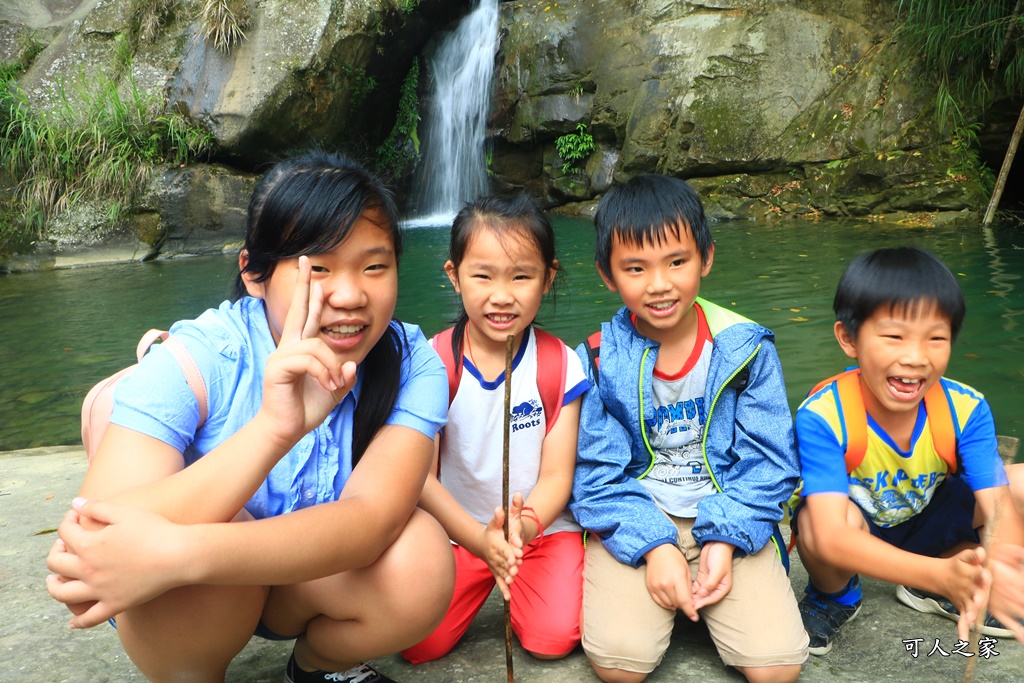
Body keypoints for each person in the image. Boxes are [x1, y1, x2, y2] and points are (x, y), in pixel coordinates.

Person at [44, 151, 455, 683]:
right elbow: (92, 535)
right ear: (254, 273)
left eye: (374, 266)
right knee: (212, 528)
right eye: (319, 268)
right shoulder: (199, 359)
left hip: (295, 580)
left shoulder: (411, 360)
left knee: (420, 560)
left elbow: (373, 520)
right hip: (201, 599)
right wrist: (272, 429)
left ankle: (316, 667)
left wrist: (182, 550)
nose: (351, 295)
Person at [571, 174, 807, 683]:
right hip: (637, 516)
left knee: (778, 667)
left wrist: (723, 539)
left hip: (726, 510)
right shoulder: (596, 357)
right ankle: (668, 584)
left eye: (677, 261)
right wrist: (656, 547)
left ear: (706, 258)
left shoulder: (746, 349)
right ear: (607, 275)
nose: (659, 283)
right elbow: (596, 477)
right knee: (620, 665)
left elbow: (769, 464)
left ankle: (704, 585)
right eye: (635, 268)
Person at [793, 246, 1024, 655]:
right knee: (817, 521)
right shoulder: (824, 415)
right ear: (849, 338)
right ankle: (836, 597)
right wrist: (941, 574)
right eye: (894, 336)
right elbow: (830, 536)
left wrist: (1003, 568)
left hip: (929, 517)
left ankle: (934, 583)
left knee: (1018, 483)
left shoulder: (966, 408)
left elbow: (997, 504)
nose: (916, 357)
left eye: (936, 338)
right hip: (859, 527)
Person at [402, 194, 589, 663]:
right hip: (455, 531)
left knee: (551, 639)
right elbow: (421, 480)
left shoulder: (559, 364)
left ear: (547, 279)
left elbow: (556, 478)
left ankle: (528, 584)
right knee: (417, 642)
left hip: (537, 533)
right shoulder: (432, 363)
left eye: (521, 276)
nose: (501, 295)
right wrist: (478, 538)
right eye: (482, 275)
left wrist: (521, 530)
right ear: (454, 275)